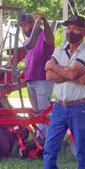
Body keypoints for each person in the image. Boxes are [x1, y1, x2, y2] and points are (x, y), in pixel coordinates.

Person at [29, 15, 85, 169]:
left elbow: (65, 70)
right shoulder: (59, 50)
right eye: (68, 28)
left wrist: (60, 69)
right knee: (50, 148)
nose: (70, 32)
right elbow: (48, 74)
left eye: (74, 28)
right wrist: (72, 75)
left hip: (79, 107)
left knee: (82, 149)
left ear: (83, 32)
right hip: (59, 106)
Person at [18, 12, 55, 141]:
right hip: (30, 80)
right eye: (21, 26)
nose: (23, 29)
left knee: (45, 112)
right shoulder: (27, 42)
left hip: (43, 80)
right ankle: (40, 137)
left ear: (33, 24)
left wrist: (44, 21)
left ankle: (50, 139)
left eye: (25, 25)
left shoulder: (44, 36)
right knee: (37, 112)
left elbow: (51, 39)